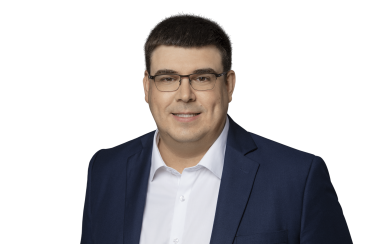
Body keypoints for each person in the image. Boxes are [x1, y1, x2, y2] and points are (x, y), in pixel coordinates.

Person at [80, 13, 352, 244]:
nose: (184, 95)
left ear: (229, 85)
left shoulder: (298, 178)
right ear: (147, 87)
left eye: (201, 78)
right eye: (167, 78)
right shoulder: (105, 170)